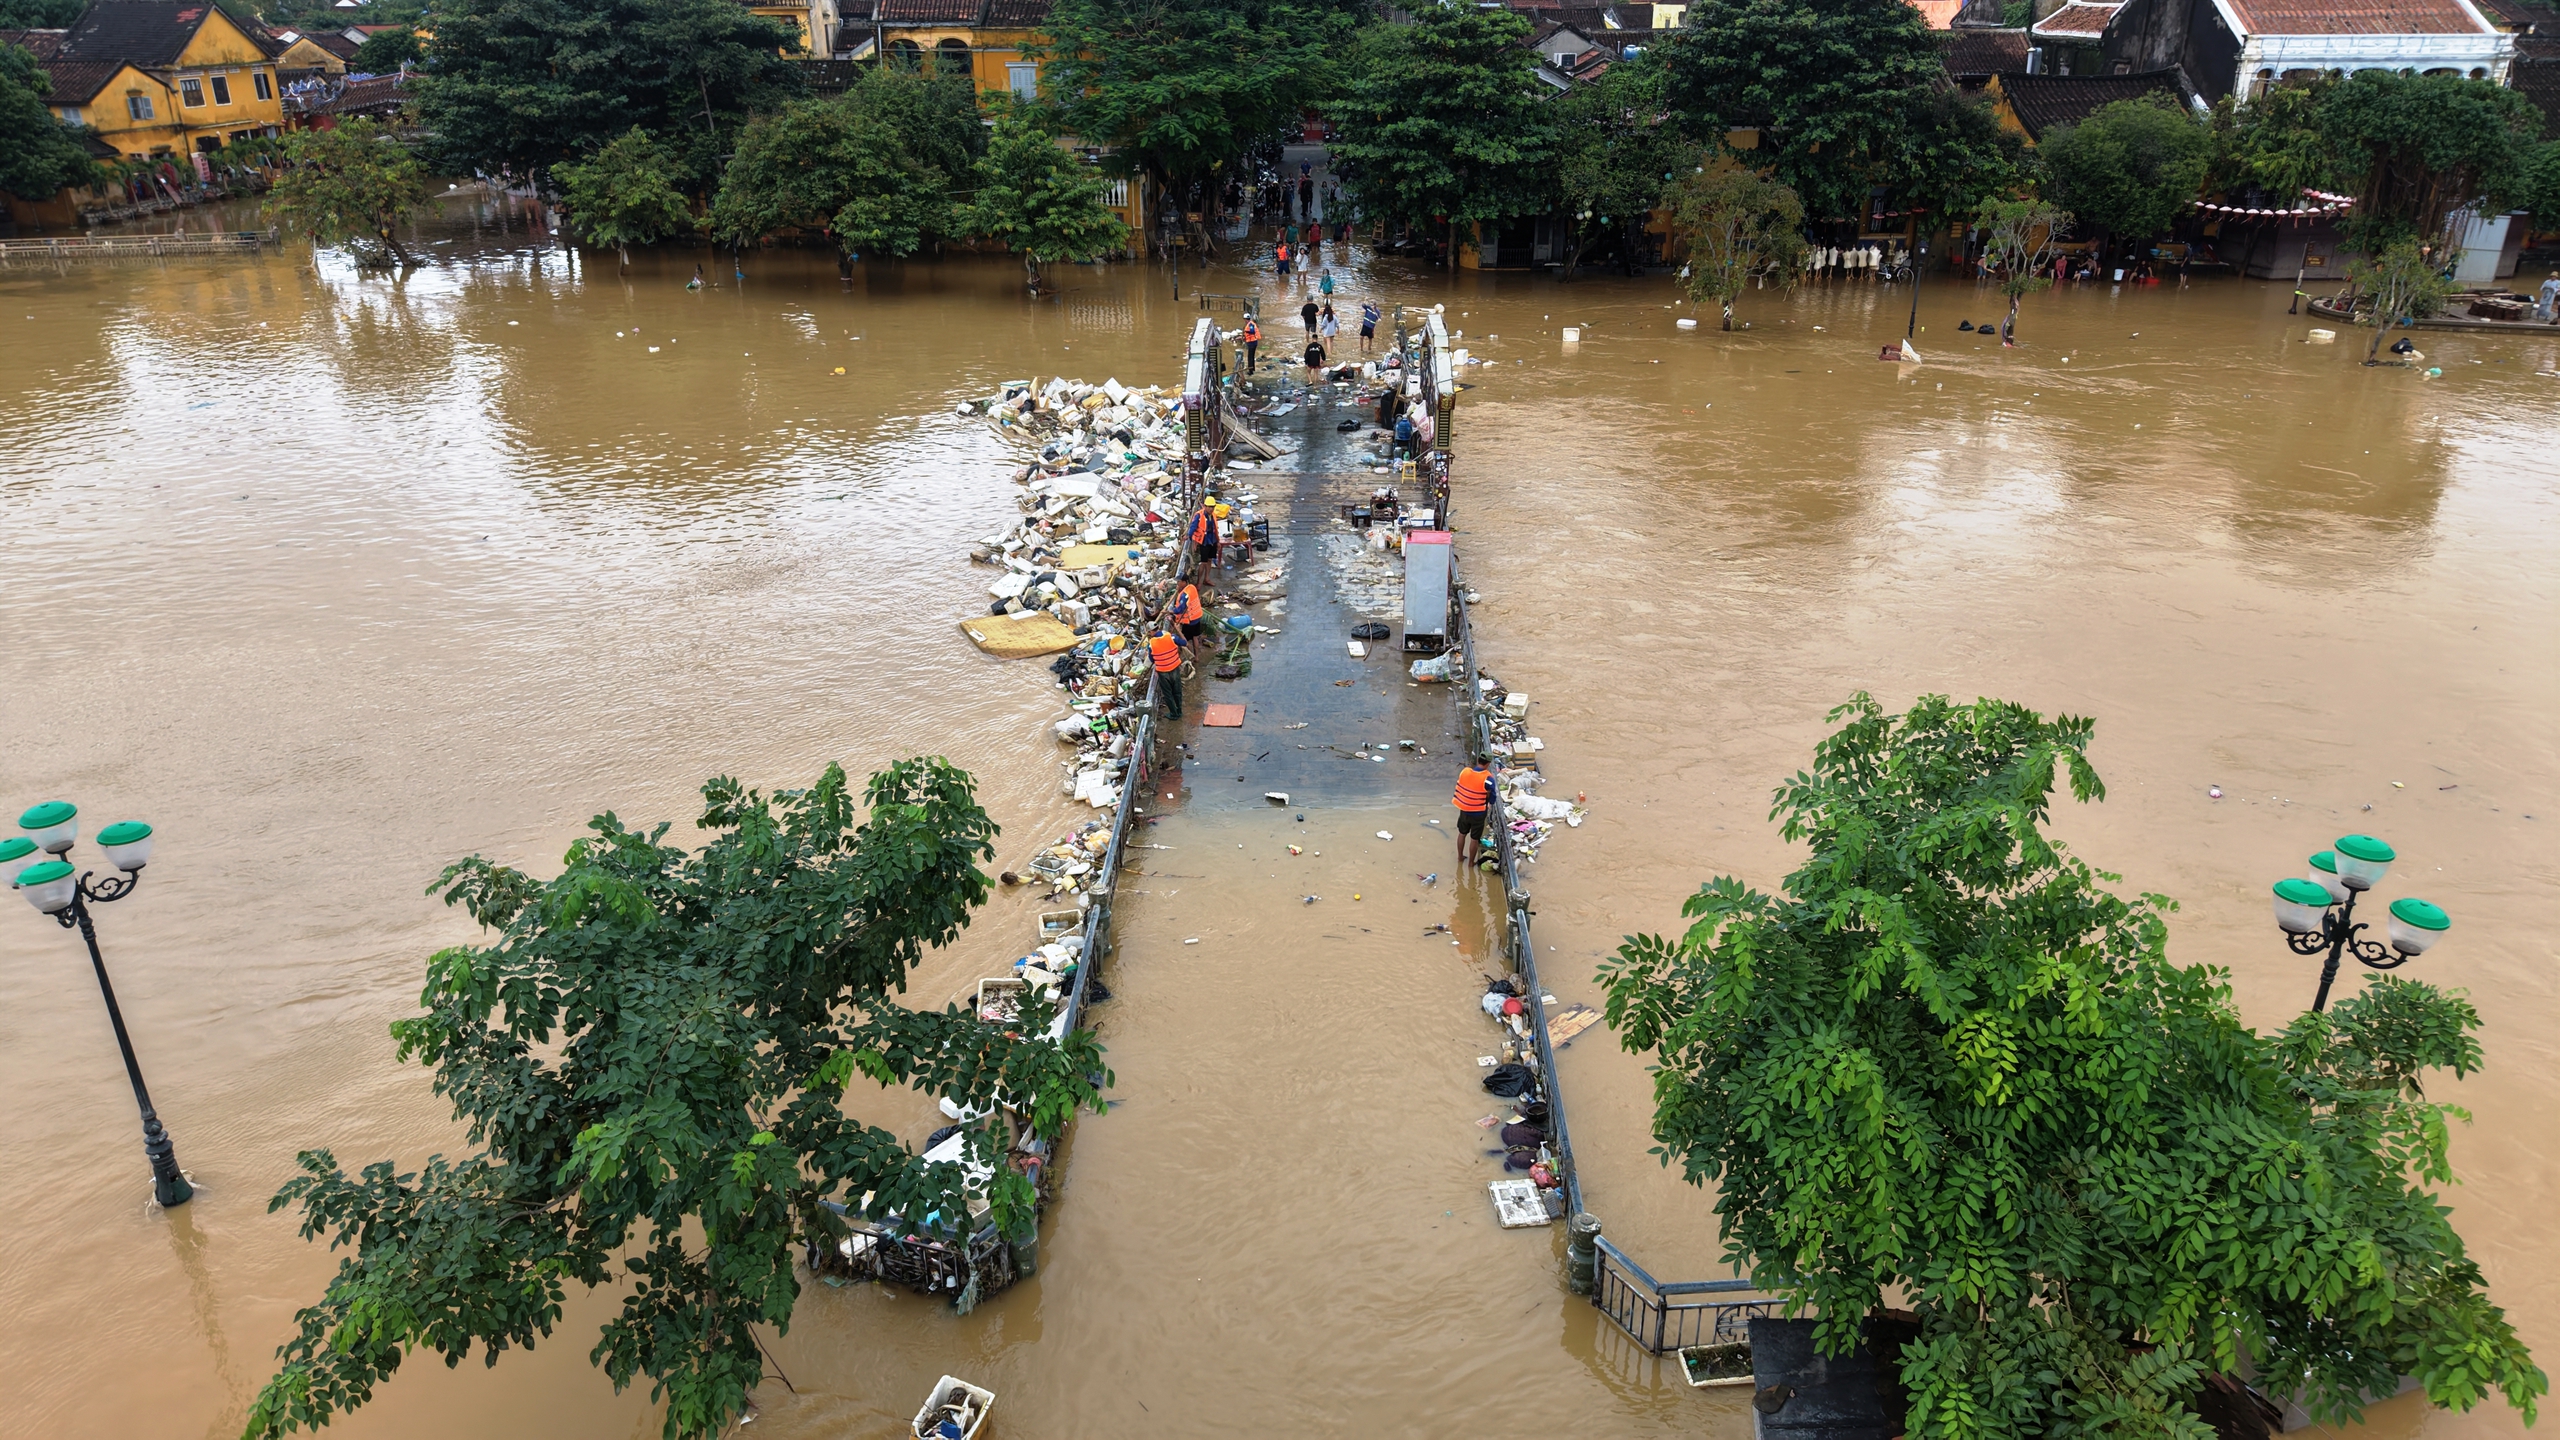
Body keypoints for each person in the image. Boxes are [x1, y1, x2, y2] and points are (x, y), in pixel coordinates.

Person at [1453, 754, 1496, 865]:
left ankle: (1460, 857)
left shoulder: (1465, 772)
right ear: (1488, 764)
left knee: (1462, 833)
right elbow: (1492, 797)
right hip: (1478, 813)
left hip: (1464, 809)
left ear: (1478, 760)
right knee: (1474, 838)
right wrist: (1489, 802)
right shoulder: (1488, 779)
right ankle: (1471, 863)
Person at [1148, 626, 1188, 721]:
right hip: (1174, 668)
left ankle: (1174, 714)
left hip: (1163, 671)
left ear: (1151, 631)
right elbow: (1184, 642)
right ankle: (1179, 711)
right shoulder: (1171, 637)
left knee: (1168, 693)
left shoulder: (1151, 644)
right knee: (1177, 691)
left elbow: (1151, 659)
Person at [1172, 580, 1208, 646]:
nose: (1178, 584)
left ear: (1184, 582)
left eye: (1179, 582)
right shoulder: (1192, 587)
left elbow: (1180, 609)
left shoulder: (1184, 595)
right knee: (1195, 637)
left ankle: (1190, 655)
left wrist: (1170, 611)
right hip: (1197, 616)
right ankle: (1196, 656)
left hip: (1189, 620)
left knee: (1185, 640)